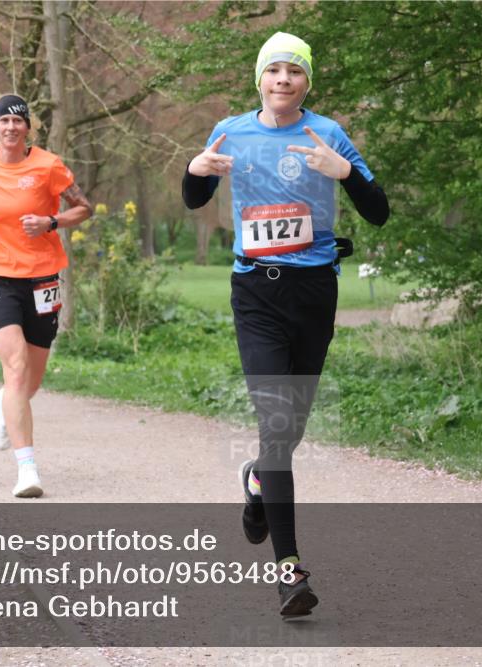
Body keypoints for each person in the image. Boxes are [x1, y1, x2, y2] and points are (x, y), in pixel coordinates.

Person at [182, 33, 389, 616]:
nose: (282, 80)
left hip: (314, 292)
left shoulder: (328, 133)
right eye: (272, 70)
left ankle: (256, 482)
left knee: (289, 430)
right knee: (277, 424)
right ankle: (289, 569)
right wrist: (196, 169)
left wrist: (343, 171)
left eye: (293, 72)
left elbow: (378, 210)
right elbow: (195, 197)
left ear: (307, 83)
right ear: (259, 80)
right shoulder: (231, 129)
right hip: (255, 292)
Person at [0, 94, 92, 498]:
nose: (11, 128)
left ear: (28, 128)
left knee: (29, 382)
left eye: (19, 122)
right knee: (14, 368)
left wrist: (51, 221)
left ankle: (5, 406)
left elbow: (84, 208)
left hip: (42, 279)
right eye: (4, 122)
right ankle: (27, 469)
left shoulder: (49, 166)